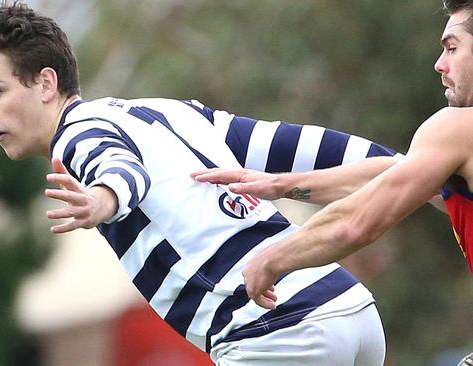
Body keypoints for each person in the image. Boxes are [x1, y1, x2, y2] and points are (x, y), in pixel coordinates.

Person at [0, 1, 396, 364]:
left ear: (46, 83)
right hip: (351, 312)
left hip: (275, 332)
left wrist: (103, 201)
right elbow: (301, 146)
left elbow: (119, 169)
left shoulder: (77, 135)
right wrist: (416, 167)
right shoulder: (170, 111)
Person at [192, 0, 473, 312]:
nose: (439, 63)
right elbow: (394, 174)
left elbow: (357, 222)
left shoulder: (458, 129)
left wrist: (272, 258)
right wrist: (282, 184)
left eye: (452, 48)